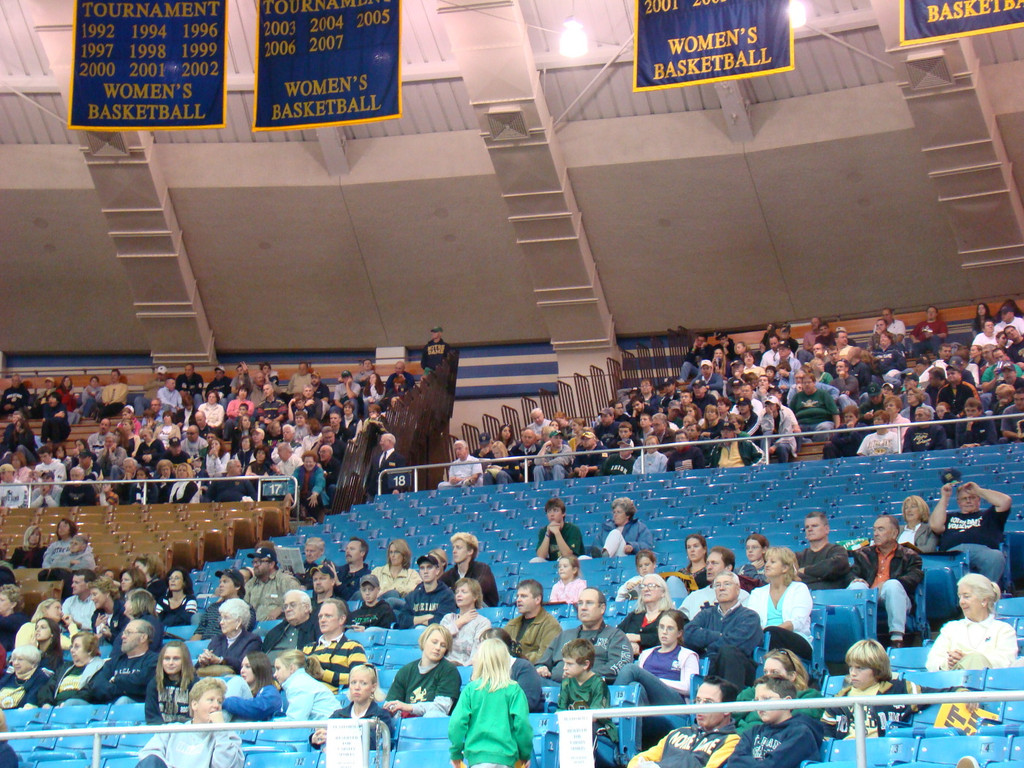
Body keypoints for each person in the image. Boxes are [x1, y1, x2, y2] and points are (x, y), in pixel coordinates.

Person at [448, 637, 533, 768]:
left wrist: (456, 753)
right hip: (506, 759)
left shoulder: (471, 689)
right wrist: (525, 754)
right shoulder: (514, 690)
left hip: (477, 759)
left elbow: (457, 723)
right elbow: (522, 724)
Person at [625, 676, 741, 768]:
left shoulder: (731, 741)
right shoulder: (678, 732)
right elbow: (640, 758)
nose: (699, 707)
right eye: (697, 700)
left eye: (708, 703)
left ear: (727, 709)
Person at [821, 639, 921, 739]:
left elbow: (934, 696)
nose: (853, 673)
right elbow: (825, 731)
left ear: (877, 668)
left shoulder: (898, 689)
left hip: (883, 750)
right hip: (847, 750)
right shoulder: (840, 699)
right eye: (851, 667)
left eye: (860, 668)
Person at [848, 515, 923, 648]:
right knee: (856, 586)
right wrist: (855, 579)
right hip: (871, 594)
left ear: (894, 533)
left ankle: (897, 638)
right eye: (874, 530)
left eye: (881, 529)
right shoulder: (863, 554)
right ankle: (860, 638)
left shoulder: (910, 556)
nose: (876, 534)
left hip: (897, 596)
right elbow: (851, 573)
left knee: (892, 585)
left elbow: (915, 577)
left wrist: (889, 583)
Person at [136, 678, 244, 768]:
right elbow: (147, 756)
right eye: (211, 700)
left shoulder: (229, 736)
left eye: (219, 701)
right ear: (194, 705)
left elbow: (226, 766)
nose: (216, 705)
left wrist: (221, 731)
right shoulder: (171, 730)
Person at [684, 572, 764, 690]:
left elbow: (738, 645)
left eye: (727, 584)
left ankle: (731, 705)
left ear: (738, 589)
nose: (721, 588)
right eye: (718, 585)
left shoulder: (750, 617)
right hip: (711, 665)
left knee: (729, 652)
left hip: (740, 668)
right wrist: (720, 635)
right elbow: (688, 634)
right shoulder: (706, 614)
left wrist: (706, 645)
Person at [536, 587, 633, 684]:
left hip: (593, 689)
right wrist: (541, 668)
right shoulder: (564, 635)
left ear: (602, 608)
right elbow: (541, 663)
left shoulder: (615, 636)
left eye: (589, 603)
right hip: (556, 686)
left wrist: (583, 675)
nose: (583, 607)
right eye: (580, 603)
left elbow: (621, 667)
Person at [926, 574, 1018, 671]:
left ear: (984, 600)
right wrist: (947, 663)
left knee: (976, 659)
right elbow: (932, 662)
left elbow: (1006, 663)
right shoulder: (951, 628)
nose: (961, 602)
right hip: (953, 682)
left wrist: (968, 659)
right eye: (959, 597)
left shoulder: (1003, 630)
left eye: (966, 596)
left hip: (987, 682)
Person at [728, 676, 823, 768]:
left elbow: (774, 765)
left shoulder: (801, 733)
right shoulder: (753, 732)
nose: (759, 705)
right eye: (756, 700)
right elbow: (734, 762)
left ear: (787, 701)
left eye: (766, 699)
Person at [931, 479, 1013, 584]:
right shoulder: (949, 517)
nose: (968, 501)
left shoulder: (989, 515)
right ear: (958, 502)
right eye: (964, 499)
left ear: (979, 500)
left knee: (996, 557)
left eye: (972, 497)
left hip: (984, 551)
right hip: (953, 554)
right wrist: (945, 497)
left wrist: (978, 490)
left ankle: (985, 593)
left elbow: (1005, 501)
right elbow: (935, 526)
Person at [615, 608, 698, 706]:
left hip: (673, 702)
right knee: (635, 686)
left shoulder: (687, 655)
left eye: (670, 628)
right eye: (661, 627)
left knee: (631, 669)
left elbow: (689, 687)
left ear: (679, 633)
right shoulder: (646, 654)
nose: (664, 632)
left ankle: (609, 712)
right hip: (647, 700)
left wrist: (654, 681)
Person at [558, 638, 619, 768]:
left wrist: (574, 722)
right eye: (564, 663)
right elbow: (560, 710)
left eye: (569, 664)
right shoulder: (566, 683)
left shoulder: (598, 684)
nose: (564, 668)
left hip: (600, 728)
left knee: (587, 730)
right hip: (573, 727)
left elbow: (596, 715)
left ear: (585, 664)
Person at [745, 547, 813, 660]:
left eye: (772, 562)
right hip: (763, 639)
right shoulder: (757, 593)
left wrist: (768, 633)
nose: (766, 565)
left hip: (796, 639)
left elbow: (798, 621)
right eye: (766, 562)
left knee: (771, 633)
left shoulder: (799, 589)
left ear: (785, 568)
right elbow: (752, 622)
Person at [733, 649, 822, 734]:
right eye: (765, 672)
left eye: (774, 672)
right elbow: (731, 716)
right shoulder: (752, 692)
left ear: (791, 676)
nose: (768, 676)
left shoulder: (809, 697)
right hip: (739, 737)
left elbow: (791, 721)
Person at [383, 623, 462, 718]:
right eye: (434, 642)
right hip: (407, 725)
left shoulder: (449, 671)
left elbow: (441, 708)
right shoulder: (405, 671)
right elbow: (390, 704)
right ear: (424, 641)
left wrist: (409, 707)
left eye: (443, 645)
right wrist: (392, 710)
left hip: (435, 726)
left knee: (432, 715)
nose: (438, 648)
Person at [311, 664, 396, 750]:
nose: (357, 687)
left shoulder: (382, 716)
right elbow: (322, 736)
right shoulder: (338, 715)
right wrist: (316, 738)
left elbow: (373, 743)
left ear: (373, 687)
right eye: (353, 682)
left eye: (363, 683)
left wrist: (336, 736)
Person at [301, 599, 367, 692]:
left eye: (328, 616)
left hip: (334, 699)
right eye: (320, 617)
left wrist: (323, 674)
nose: (322, 620)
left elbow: (360, 679)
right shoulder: (308, 648)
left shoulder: (353, 647)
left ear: (341, 619)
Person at [87, 619, 159, 703]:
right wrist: (123, 691)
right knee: (73, 703)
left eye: (128, 633)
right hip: (109, 705)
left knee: (123, 701)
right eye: (123, 633)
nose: (123, 636)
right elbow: (98, 685)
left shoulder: (154, 660)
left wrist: (115, 680)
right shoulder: (114, 662)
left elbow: (142, 684)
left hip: (136, 708)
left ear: (143, 637)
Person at [37, 630, 104, 706]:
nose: (72, 650)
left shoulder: (100, 667)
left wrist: (66, 704)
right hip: (57, 709)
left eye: (76, 647)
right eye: (72, 646)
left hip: (79, 708)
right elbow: (48, 688)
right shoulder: (65, 668)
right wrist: (46, 703)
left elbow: (90, 691)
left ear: (89, 650)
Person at [197, 598, 261, 676]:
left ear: (238, 621)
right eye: (221, 618)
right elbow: (196, 667)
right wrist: (203, 661)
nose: (221, 622)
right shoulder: (217, 639)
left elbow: (243, 664)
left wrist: (220, 660)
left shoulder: (252, 640)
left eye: (226, 618)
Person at [504, 578, 562, 664]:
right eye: (518, 596)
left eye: (523, 596)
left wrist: (516, 657)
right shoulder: (512, 624)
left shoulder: (550, 625)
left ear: (537, 599)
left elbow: (544, 656)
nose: (518, 600)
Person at [273, 649, 338, 720]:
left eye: (278, 669)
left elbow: (296, 721)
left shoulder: (299, 685)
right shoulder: (301, 681)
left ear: (292, 668)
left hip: (328, 728)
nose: (275, 674)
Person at [192, 569, 256, 641]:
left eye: (225, 582)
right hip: (204, 647)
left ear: (237, 586)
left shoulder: (246, 608)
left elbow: (241, 634)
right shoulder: (212, 607)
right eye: (220, 582)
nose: (220, 585)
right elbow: (199, 633)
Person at [440, 578, 492, 666]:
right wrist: (458, 623)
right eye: (457, 592)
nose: (459, 595)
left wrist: (463, 666)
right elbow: (438, 639)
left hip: (468, 668)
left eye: (464, 592)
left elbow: (478, 653)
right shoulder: (448, 618)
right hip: (444, 667)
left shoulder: (483, 622)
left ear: (475, 597)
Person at [440, 532, 500, 607]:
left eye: (458, 547)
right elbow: (437, 588)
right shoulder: (451, 573)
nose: (454, 551)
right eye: (453, 548)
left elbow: (475, 590)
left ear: (470, 551)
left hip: (484, 612)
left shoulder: (482, 569)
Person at [620, 574, 674, 655]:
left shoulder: (672, 616)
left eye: (651, 585)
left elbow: (672, 639)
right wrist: (628, 645)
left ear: (663, 592)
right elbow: (616, 635)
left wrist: (639, 639)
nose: (646, 589)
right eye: (643, 586)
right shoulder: (634, 616)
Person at [399, 552, 457, 629]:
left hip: (437, 635)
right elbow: (402, 620)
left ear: (437, 570)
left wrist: (415, 621)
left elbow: (442, 621)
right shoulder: (413, 596)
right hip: (413, 636)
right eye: (422, 568)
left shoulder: (447, 595)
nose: (425, 571)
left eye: (429, 567)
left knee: (419, 628)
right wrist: (425, 618)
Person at [796, 512, 851, 590]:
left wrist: (805, 570)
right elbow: (792, 577)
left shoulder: (837, 550)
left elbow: (833, 568)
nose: (810, 529)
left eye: (814, 526)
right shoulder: (799, 556)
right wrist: (822, 576)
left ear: (826, 529)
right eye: (807, 527)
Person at [244, 547, 301, 622]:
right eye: (254, 562)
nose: (255, 565)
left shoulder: (286, 581)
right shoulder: (250, 584)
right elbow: (244, 608)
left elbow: (298, 603)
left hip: (279, 627)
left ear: (271, 564)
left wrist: (281, 608)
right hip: (253, 627)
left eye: (259, 562)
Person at [146, 640, 197, 724]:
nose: (170, 663)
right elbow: (152, 718)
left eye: (176, 659)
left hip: (186, 731)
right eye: (167, 658)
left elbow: (196, 716)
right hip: (161, 732)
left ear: (185, 661)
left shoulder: (194, 683)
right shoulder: (154, 684)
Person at [221, 651, 282, 721]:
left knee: (238, 681)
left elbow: (258, 709)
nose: (242, 671)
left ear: (259, 669)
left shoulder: (271, 691)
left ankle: (216, 724)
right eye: (242, 667)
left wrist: (224, 701)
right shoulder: (240, 691)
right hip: (234, 728)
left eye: (247, 667)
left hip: (252, 729)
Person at [261, 590, 319, 658]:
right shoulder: (275, 632)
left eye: (292, 605)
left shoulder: (316, 630)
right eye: (285, 607)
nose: (288, 609)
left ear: (306, 608)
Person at [534, 496, 584, 562]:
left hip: (573, 563)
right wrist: (547, 535)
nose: (552, 514)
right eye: (549, 511)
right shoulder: (543, 531)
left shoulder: (573, 529)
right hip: (551, 565)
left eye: (555, 510)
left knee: (565, 559)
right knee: (536, 560)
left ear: (563, 514)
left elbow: (568, 555)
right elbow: (541, 556)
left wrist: (557, 533)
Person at [0, 586, 28, 655]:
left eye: (2, 600)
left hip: (11, 655)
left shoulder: (20, 618)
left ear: (13, 604)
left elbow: (4, 622)